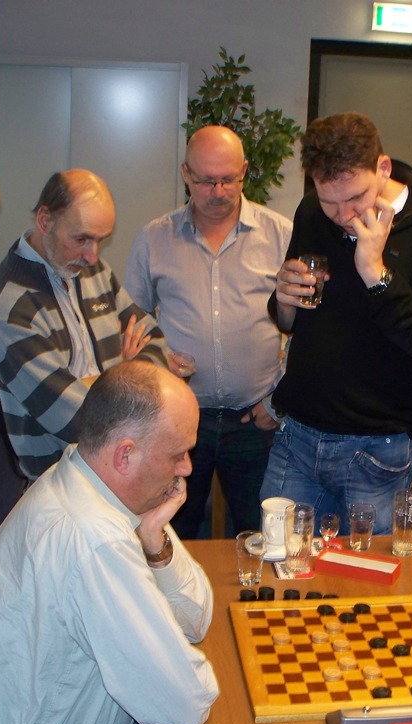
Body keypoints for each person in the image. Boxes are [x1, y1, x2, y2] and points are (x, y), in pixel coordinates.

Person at [0, 360, 219, 724]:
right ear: (125, 455)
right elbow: (188, 701)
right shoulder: (94, 540)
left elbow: (195, 621)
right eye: (178, 455)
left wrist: (155, 541)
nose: (187, 469)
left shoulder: (82, 475)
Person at [260, 112, 412, 534]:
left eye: (355, 198)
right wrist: (283, 299)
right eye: (329, 200)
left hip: (378, 445)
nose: (342, 215)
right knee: (279, 559)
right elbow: (293, 321)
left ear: (383, 168)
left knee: (366, 573)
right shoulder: (311, 211)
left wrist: (377, 274)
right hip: (299, 432)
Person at [125, 125, 292, 538]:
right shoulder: (154, 238)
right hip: (178, 420)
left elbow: (308, 329)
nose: (218, 192)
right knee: (170, 532)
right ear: (186, 174)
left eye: (228, 180)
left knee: (263, 533)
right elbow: (133, 320)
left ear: (245, 171)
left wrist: (280, 400)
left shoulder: (280, 235)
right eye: (205, 181)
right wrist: (157, 360)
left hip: (256, 419)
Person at [0, 169, 168, 482]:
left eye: (100, 240)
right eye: (81, 239)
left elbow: (155, 340)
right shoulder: (14, 305)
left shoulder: (94, 271)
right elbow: (74, 418)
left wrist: (98, 382)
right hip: (60, 478)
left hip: (115, 465)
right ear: (45, 220)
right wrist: (124, 372)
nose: (92, 256)